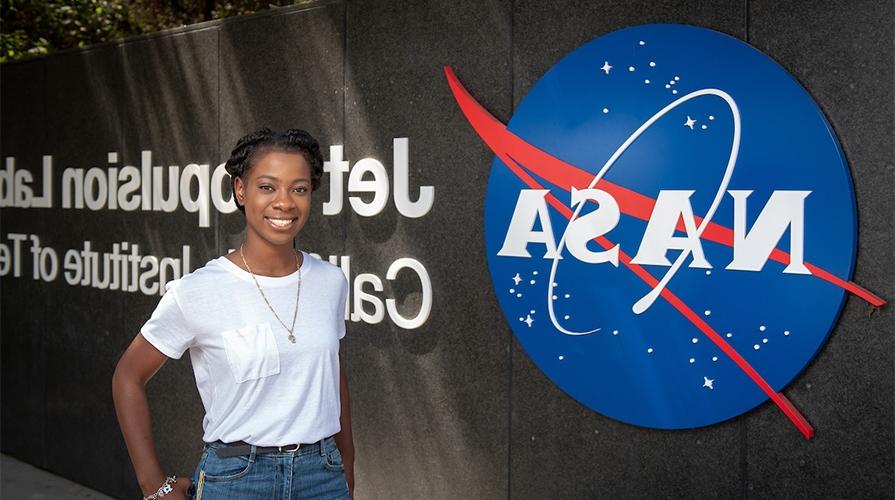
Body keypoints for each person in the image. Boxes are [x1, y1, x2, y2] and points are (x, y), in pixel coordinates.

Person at [112, 128, 354, 500]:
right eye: (267, 187)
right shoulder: (198, 290)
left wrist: (346, 471)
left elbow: (331, 379)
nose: (285, 203)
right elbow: (128, 375)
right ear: (241, 190)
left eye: (299, 188)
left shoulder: (331, 281)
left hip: (322, 475)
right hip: (237, 479)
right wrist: (154, 487)